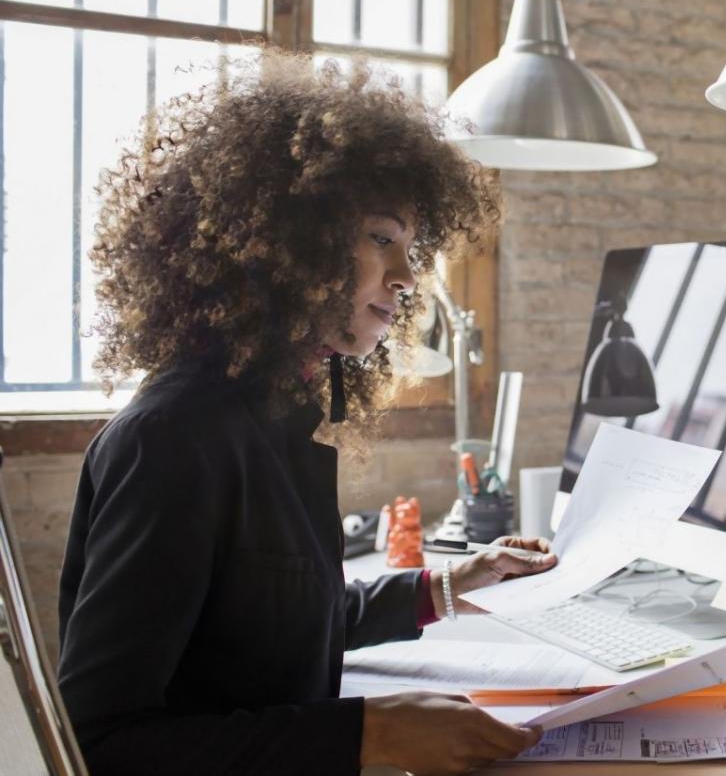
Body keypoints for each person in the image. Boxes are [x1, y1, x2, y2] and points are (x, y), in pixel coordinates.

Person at [56, 51, 556, 775]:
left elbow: (286, 621)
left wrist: (451, 581)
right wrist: (366, 736)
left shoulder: (280, 414)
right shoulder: (169, 443)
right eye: (382, 238)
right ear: (293, 236)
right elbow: (97, 744)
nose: (407, 276)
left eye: (411, 248)